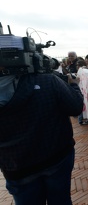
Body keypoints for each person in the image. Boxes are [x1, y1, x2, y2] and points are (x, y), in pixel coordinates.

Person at [0, 66, 83, 204]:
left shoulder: (47, 80)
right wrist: (74, 85)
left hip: (15, 166)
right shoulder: (47, 81)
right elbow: (75, 107)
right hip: (56, 156)